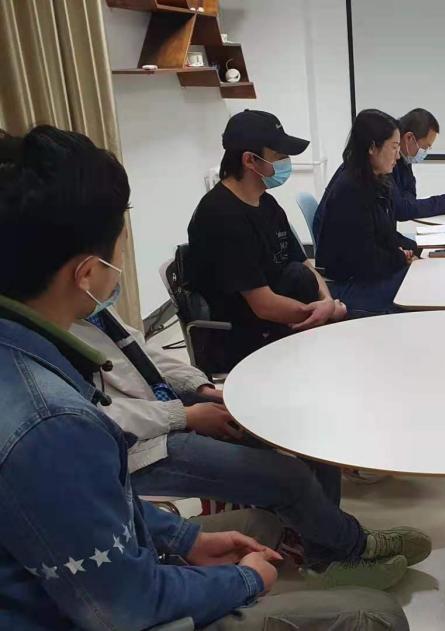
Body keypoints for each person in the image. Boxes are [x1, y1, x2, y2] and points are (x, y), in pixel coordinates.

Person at [0, 125, 409, 630]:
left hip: (154, 462)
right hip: (148, 490)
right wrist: (246, 580)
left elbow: (95, 507)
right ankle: (342, 547)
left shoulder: (44, 338)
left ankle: (337, 541)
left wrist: (183, 537)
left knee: (301, 446)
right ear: (86, 272)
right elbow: (123, 605)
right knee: (377, 615)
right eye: (120, 244)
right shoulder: (51, 422)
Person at [70, 306, 431, 590]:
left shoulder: (92, 308)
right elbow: (93, 417)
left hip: (166, 409)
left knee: (307, 428)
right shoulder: (54, 340)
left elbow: (144, 355)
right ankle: (351, 547)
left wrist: (203, 389)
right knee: (287, 477)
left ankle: (327, 548)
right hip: (138, 447)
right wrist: (185, 415)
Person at [188, 110, 347, 368]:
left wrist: (326, 302)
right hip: (244, 337)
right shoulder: (221, 216)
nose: (286, 163)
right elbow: (262, 305)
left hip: (282, 321)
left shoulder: (267, 204)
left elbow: (304, 263)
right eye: (279, 156)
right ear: (250, 160)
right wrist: (322, 314)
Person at [314, 109, 412, 315]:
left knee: (420, 278)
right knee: (416, 290)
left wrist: (414, 249)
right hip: (348, 286)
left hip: (367, 276)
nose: (398, 155)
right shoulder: (350, 190)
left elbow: (385, 234)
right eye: (394, 147)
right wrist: (400, 258)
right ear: (372, 147)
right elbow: (366, 260)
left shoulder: (375, 181)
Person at [392, 108, 445, 220]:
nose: (425, 152)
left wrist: (410, 205)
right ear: (409, 138)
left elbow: (410, 199)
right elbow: (402, 209)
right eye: (425, 147)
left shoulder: (405, 158)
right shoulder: (387, 162)